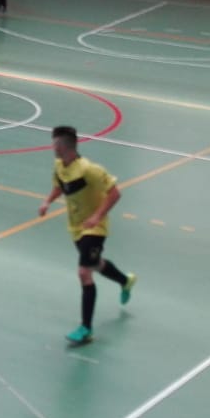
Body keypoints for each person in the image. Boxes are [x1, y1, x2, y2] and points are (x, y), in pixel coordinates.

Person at [37, 125, 138, 346]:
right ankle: (125, 280)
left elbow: (115, 193)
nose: (52, 146)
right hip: (76, 227)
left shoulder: (89, 170)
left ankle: (86, 329)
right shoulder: (59, 165)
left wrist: (97, 216)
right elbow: (60, 186)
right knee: (95, 264)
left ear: (63, 146)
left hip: (95, 227)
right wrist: (47, 202)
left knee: (84, 272)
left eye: (54, 143)